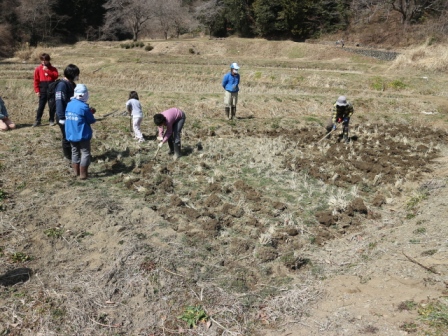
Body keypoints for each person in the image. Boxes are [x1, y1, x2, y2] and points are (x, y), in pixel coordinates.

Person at [65, 84, 96, 179]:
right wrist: (91, 113)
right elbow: (91, 120)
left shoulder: (69, 104)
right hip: (82, 134)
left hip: (71, 134)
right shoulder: (84, 107)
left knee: (74, 151)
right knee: (85, 152)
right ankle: (83, 174)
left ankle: (76, 172)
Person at [56, 64, 80, 161]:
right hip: (63, 116)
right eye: (76, 74)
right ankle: (68, 157)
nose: (78, 77)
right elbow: (59, 101)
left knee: (72, 136)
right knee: (66, 137)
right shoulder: (62, 85)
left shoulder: (72, 84)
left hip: (71, 115)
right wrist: (61, 117)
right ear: (72, 74)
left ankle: (74, 155)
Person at [33, 53, 59, 127]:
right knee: (41, 106)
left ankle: (51, 120)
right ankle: (38, 120)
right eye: (42, 60)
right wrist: (37, 90)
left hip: (51, 89)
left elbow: (55, 76)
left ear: (48, 60)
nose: (43, 62)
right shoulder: (38, 69)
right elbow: (36, 80)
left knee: (52, 105)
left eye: (45, 61)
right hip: (42, 89)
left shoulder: (53, 69)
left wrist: (47, 71)